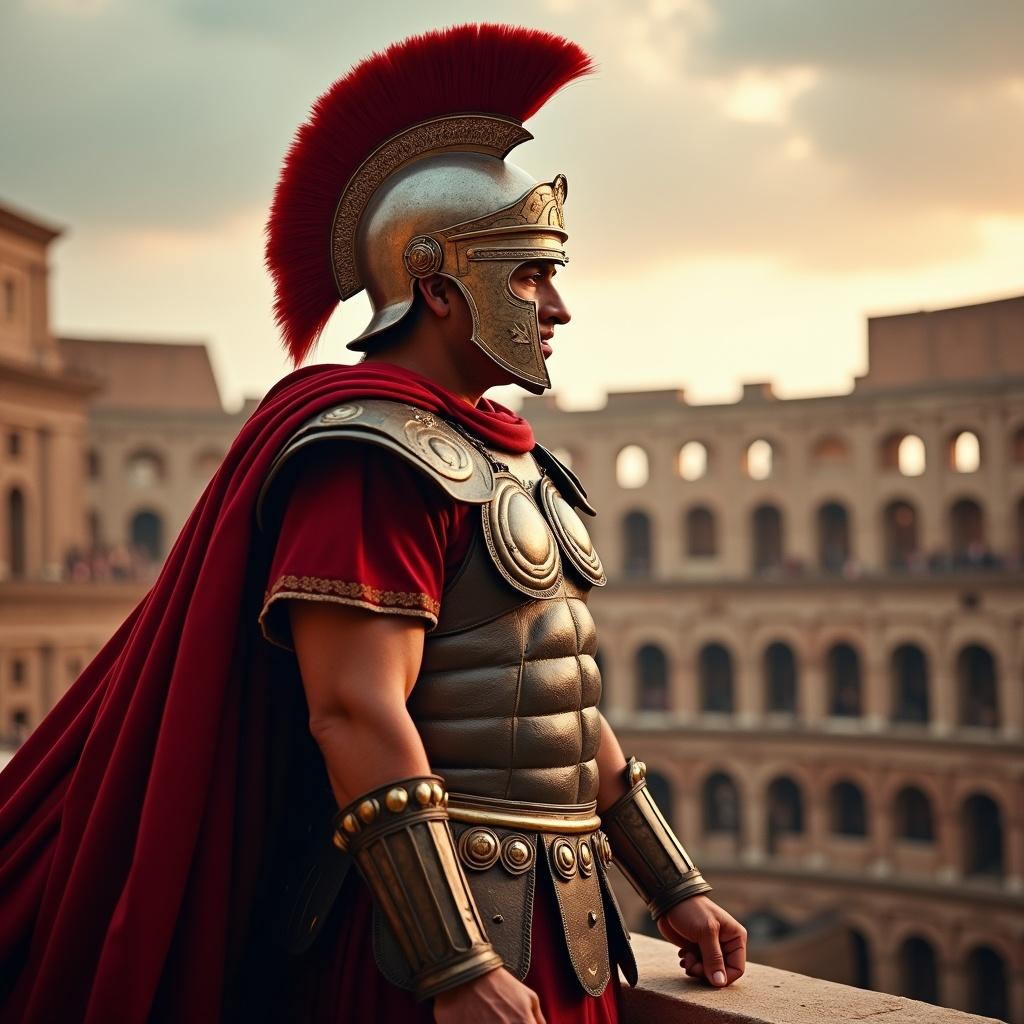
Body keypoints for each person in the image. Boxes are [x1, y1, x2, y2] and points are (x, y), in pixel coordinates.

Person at [0, 25, 746, 1024]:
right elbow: (353, 710)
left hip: (562, 923)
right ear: (438, 288)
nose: (557, 306)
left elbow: (554, 694)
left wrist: (673, 880)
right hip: (418, 942)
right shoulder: (368, 459)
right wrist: (454, 960)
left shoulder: (507, 454)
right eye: (528, 276)